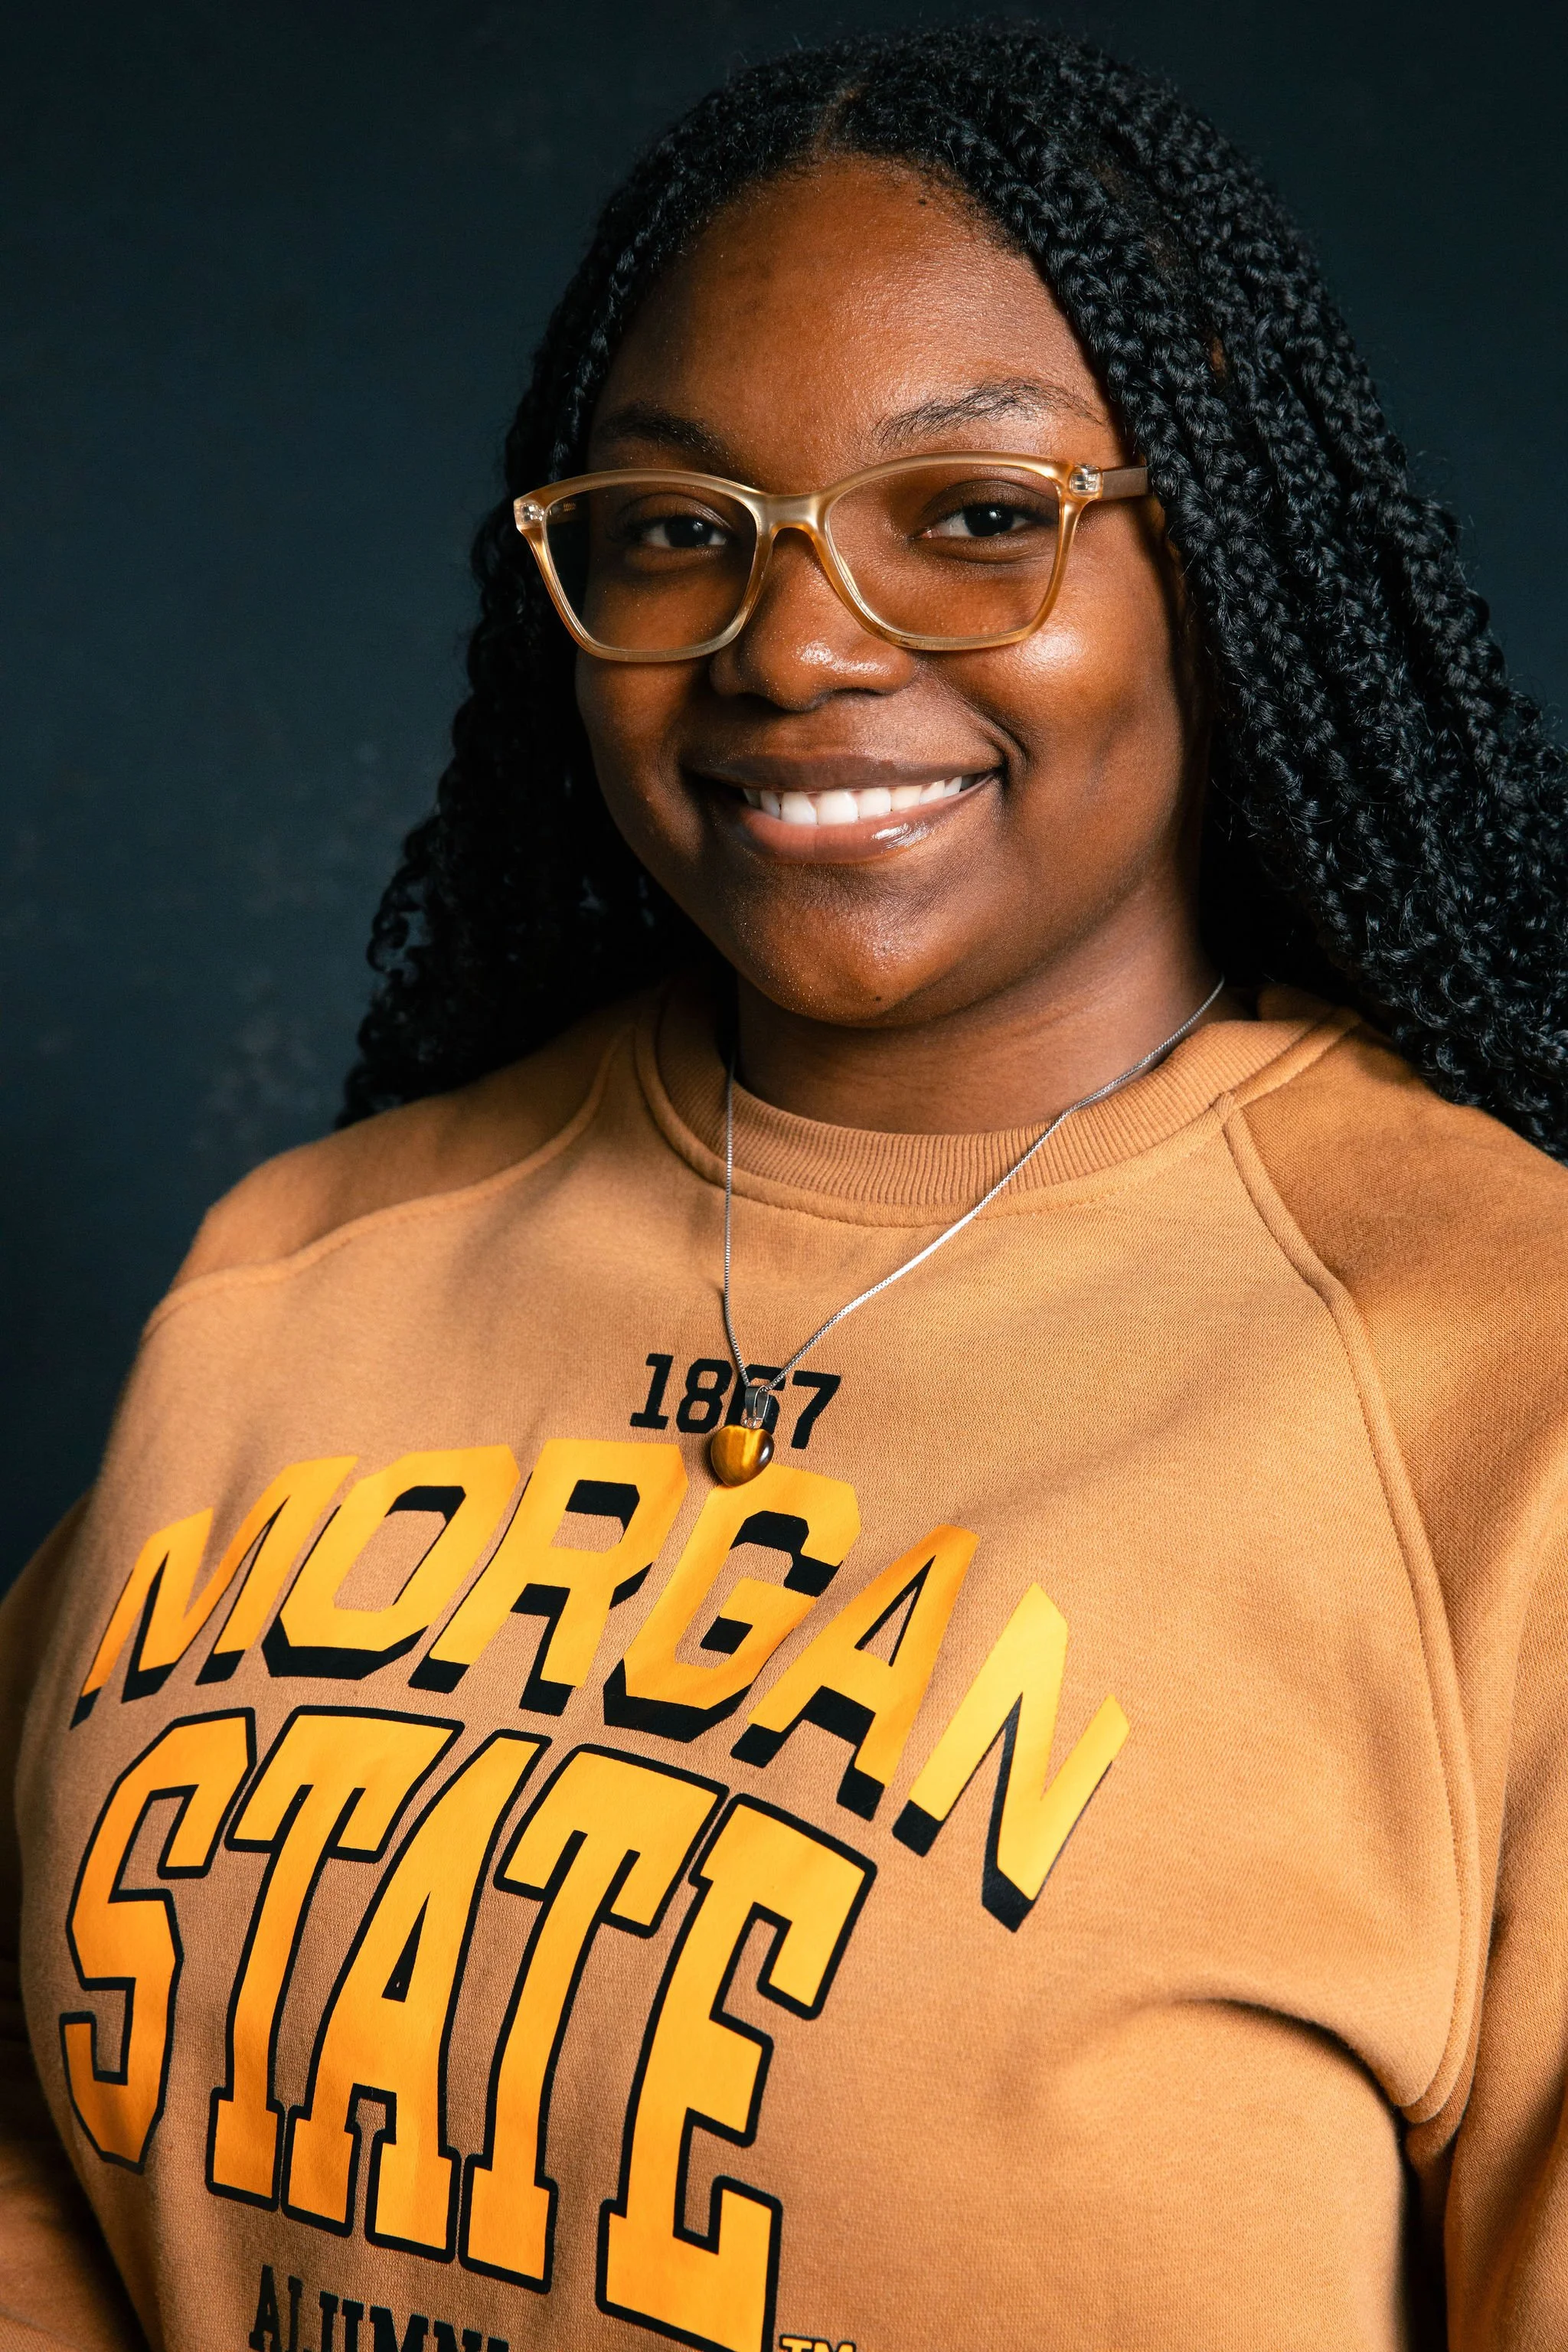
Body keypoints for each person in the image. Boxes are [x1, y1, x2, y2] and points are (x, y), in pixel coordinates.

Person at [4, 22, 1566, 2350]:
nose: (798, 644)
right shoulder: (297, 1270)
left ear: (1218, 552)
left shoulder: (1500, 1390)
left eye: (975, 517)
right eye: (674, 530)